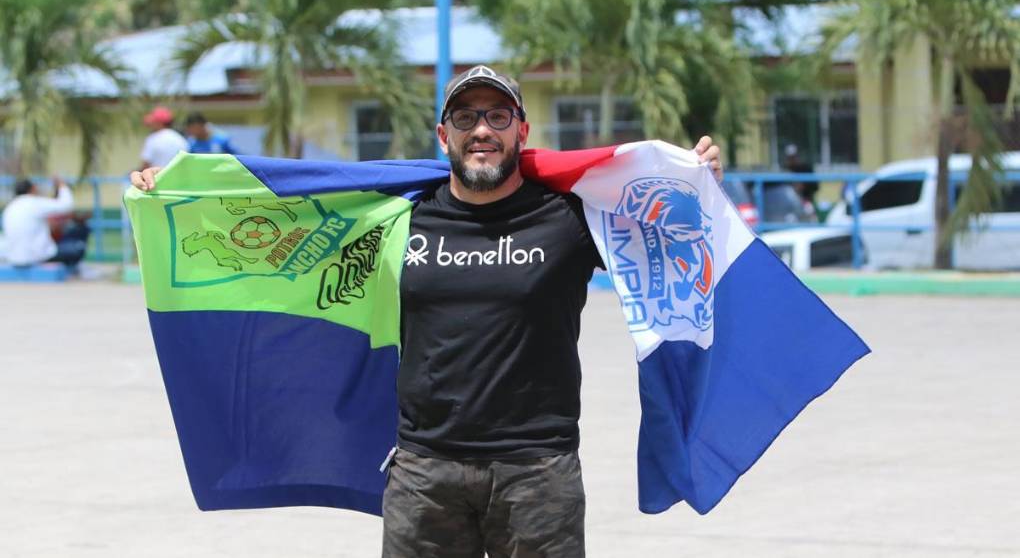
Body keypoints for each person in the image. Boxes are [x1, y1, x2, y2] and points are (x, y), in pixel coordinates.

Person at [130, 65, 722, 558]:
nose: (481, 130)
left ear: (522, 130)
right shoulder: (399, 215)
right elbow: (286, 208)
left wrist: (699, 181)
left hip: (537, 472)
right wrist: (181, 193)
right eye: (466, 118)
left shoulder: (568, 218)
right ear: (444, 136)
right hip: (424, 471)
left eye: (497, 117)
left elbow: (670, 230)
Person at [2, 177, 89, 268]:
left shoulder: (10, 207)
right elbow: (66, 205)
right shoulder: (33, 202)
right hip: (37, 257)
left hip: (14, 257)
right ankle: (74, 269)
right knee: (77, 247)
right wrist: (62, 186)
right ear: (32, 189)